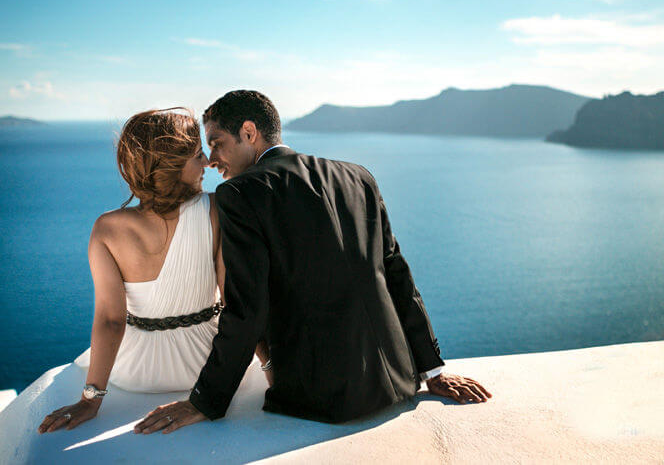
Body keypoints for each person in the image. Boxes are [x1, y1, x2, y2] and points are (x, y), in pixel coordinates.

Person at [135, 90, 491, 435]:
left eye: (216, 142)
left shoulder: (240, 194)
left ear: (248, 133)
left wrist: (205, 402)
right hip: (398, 380)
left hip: (319, 397)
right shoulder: (358, 176)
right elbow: (397, 275)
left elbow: (247, 310)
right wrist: (433, 371)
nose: (211, 159)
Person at [38, 108, 270, 434]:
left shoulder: (107, 229)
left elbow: (110, 320)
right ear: (170, 165)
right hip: (203, 366)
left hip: (132, 372)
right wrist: (269, 364)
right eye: (197, 155)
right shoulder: (217, 209)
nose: (207, 163)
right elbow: (237, 303)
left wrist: (90, 399)